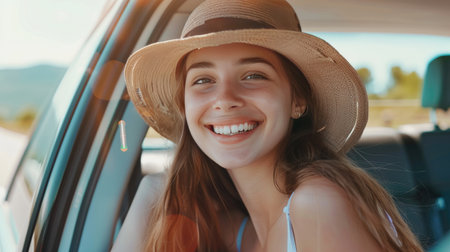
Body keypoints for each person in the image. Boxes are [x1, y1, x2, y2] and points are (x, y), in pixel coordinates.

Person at [124, 0, 423, 251]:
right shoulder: (235, 230)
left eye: (254, 75)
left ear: (297, 100)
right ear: (185, 107)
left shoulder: (317, 203)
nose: (224, 99)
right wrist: (152, 187)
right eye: (203, 80)